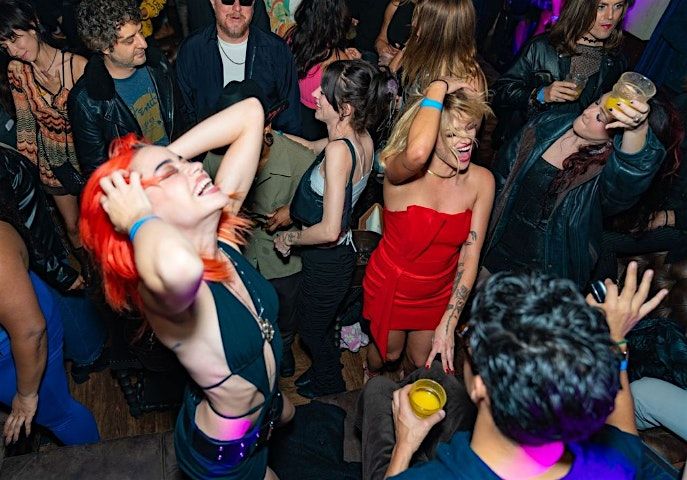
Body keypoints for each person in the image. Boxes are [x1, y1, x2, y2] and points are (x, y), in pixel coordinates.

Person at [80, 98, 293, 479]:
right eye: (170, 172)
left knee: (288, 419)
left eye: (185, 161)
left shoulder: (220, 238)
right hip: (229, 449)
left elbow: (250, 114)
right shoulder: (167, 299)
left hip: (266, 399)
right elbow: (180, 267)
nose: (195, 165)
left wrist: (162, 158)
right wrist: (138, 218)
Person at [384, 266, 668, 478]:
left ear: (481, 386)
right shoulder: (612, 465)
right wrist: (612, 339)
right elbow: (625, 432)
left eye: (470, 337)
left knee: (377, 393)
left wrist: (405, 445)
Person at [273, 59, 396, 399]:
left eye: (323, 92)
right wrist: (273, 136)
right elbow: (313, 147)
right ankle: (323, 371)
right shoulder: (358, 137)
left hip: (328, 259)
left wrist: (289, 237)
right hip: (337, 257)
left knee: (312, 329)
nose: (314, 93)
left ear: (344, 109)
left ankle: (331, 384)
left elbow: (329, 230)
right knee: (320, 323)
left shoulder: (340, 151)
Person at [363, 81, 494, 380]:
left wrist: (450, 320)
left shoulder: (482, 181)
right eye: (451, 134)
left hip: (438, 291)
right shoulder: (399, 174)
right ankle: (370, 374)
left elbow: (470, 256)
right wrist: (437, 87)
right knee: (387, 354)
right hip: (392, 286)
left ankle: (406, 389)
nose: (466, 141)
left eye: (470, 128)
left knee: (421, 359)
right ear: (430, 135)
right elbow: (416, 154)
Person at [482, 93, 665, 290]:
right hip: (494, 247)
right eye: (596, 102)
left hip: (544, 273)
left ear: (616, 137)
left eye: (600, 117)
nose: (588, 112)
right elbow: (500, 180)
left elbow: (631, 173)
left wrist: (636, 131)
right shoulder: (548, 123)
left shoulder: (606, 175)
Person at [0, 142, 107, 383]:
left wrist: (59, 273)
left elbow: (26, 231)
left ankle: (91, 354)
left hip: (34, 238)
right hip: (28, 240)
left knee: (59, 292)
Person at [0, 221, 100, 447]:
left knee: (60, 415)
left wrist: (26, 396)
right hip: (18, 332)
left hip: (17, 347)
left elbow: (31, 332)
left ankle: (97, 461)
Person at [1, 0, 87, 252]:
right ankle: (90, 270)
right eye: (4, 46)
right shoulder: (17, 70)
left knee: (100, 220)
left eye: (14, 38)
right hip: (53, 160)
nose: (13, 50)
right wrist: (27, 172)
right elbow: (26, 122)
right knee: (73, 227)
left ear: (33, 24)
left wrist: (59, 93)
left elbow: (87, 124)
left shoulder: (77, 65)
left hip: (85, 157)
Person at [69, 0, 187, 179]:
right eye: (130, 40)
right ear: (104, 47)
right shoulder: (87, 101)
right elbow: (98, 172)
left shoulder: (158, 63)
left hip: (179, 164)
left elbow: (182, 116)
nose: (143, 44)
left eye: (140, 32)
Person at [492, 0, 628, 148]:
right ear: (581, 6)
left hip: (574, 153)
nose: (610, 16)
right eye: (601, 7)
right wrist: (541, 95)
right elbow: (498, 93)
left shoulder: (617, 62)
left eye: (618, 6)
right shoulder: (542, 47)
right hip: (525, 147)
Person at [175, 0, 302, 140]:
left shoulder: (276, 50)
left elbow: (290, 118)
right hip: (207, 147)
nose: (237, 8)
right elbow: (185, 116)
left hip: (267, 148)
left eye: (245, 1)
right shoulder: (192, 50)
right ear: (213, 2)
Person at [594, 93, 687, 280]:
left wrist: (669, 217)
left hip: (679, 224)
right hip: (657, 198)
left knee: (599, 239)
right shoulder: (680, 103)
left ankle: (605, 297)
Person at [284, 0, 362, 140]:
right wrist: (355, 64)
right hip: (318, 125)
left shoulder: (292, 37)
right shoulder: (337, 59)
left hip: (289, 114)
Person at [391, 0, 486, 96]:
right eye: (416, 16)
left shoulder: (469, 81)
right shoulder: (418, 43)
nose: (413, 24)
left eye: (422, 20)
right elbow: (389, 76)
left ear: (443, 31)